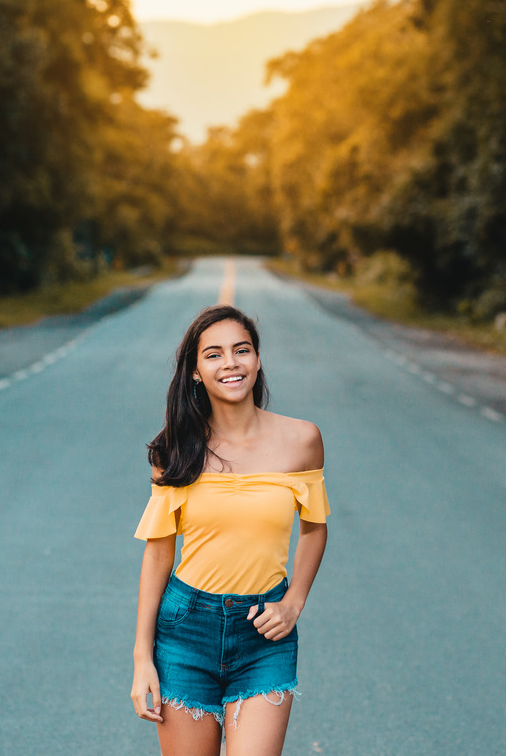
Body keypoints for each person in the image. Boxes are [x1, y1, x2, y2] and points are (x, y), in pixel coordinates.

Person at [130, 304, 330, 756]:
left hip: (264, 635)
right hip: (186, 631)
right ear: (196, 371)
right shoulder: (178, 448)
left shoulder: (301, 440)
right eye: (214, 355)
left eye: (241, 351)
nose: (231, 364)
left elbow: (314, 529)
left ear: (257, 360)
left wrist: (293, 602)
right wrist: (143, 657)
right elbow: (159, 553)